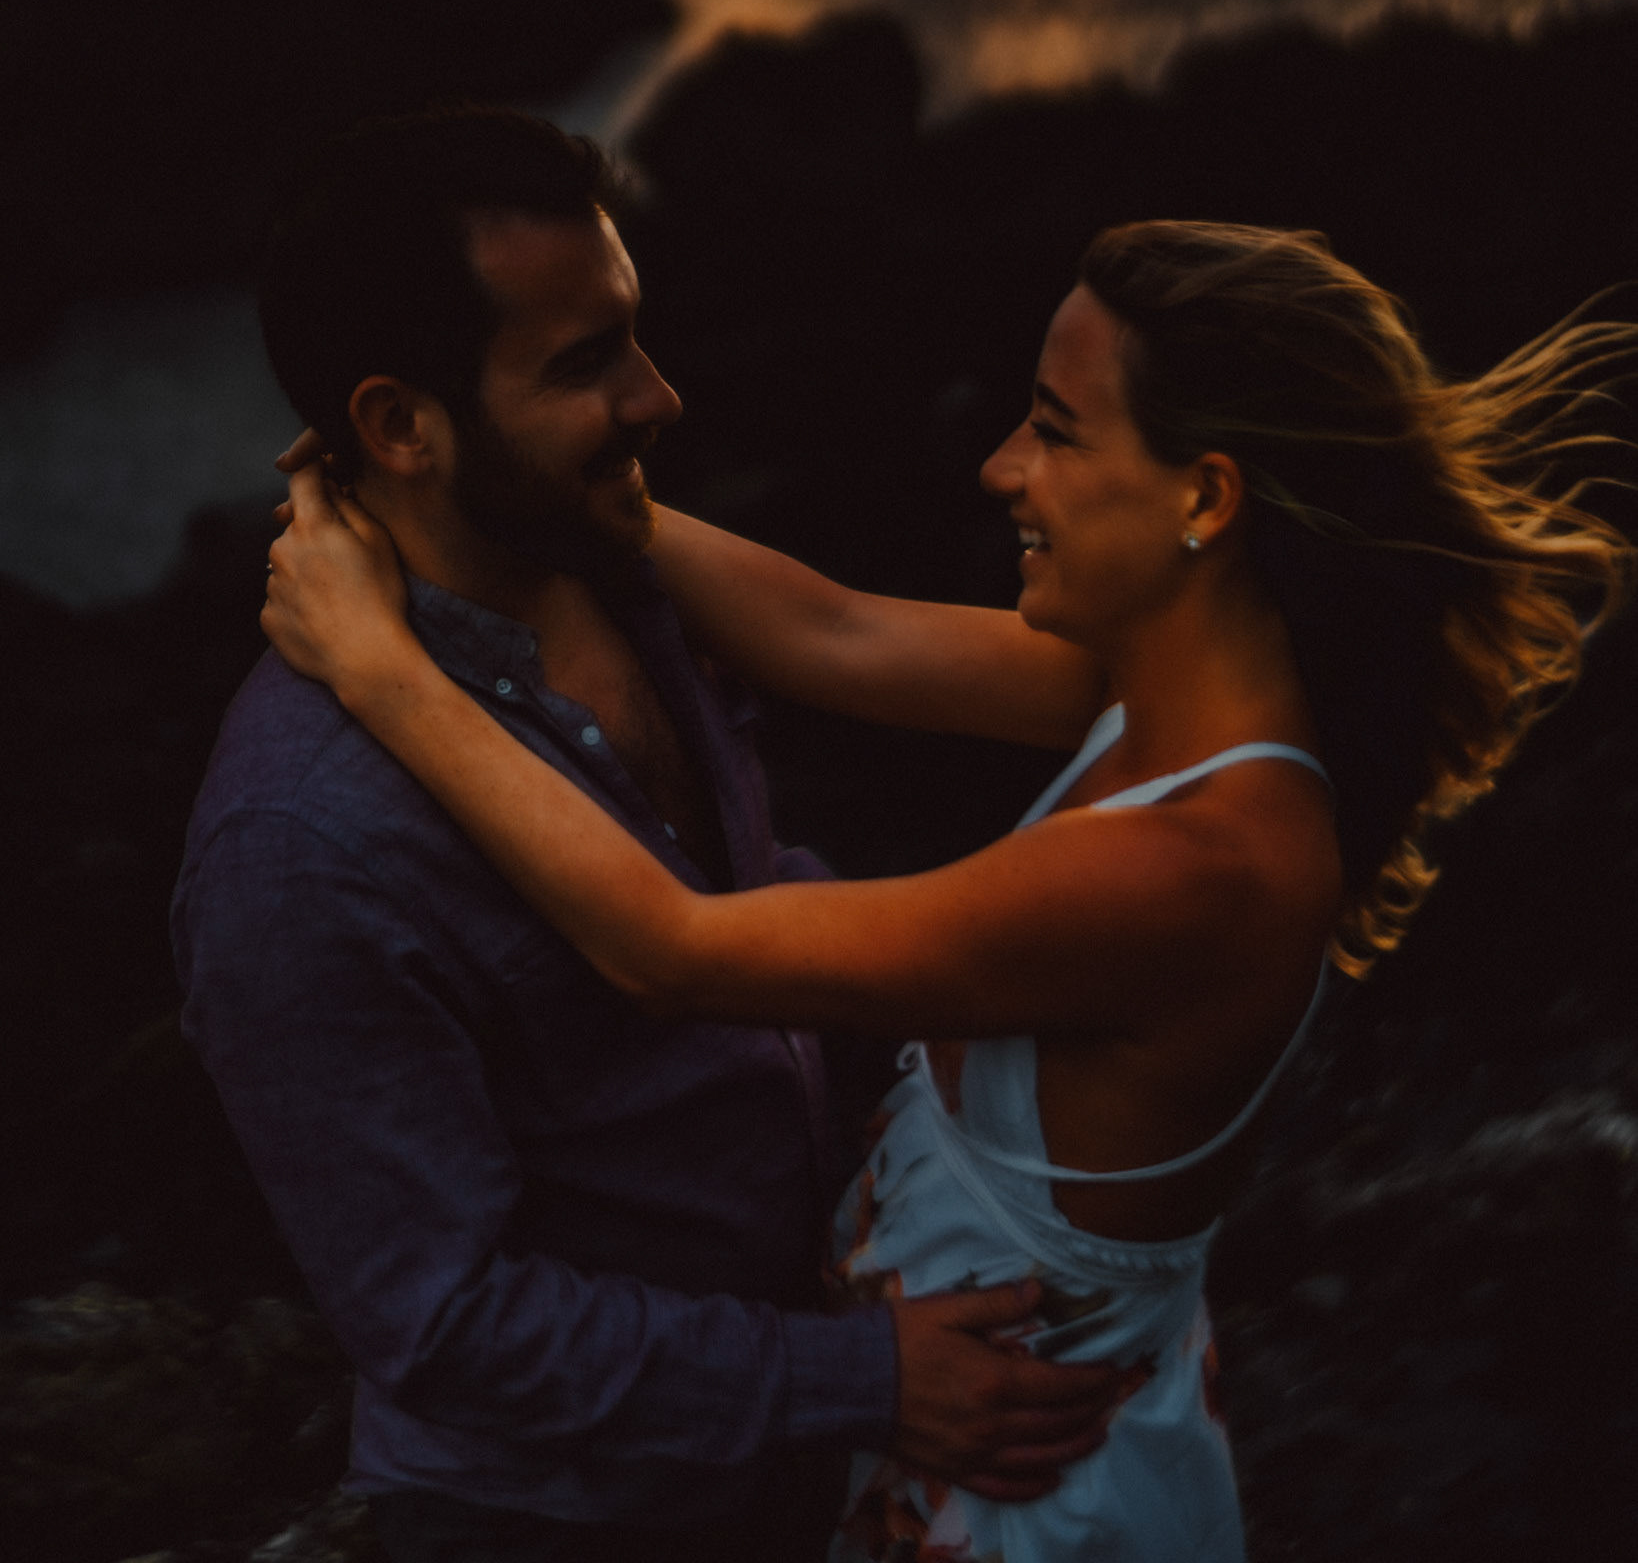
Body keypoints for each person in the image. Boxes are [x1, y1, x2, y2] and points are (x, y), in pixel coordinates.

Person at [263, 216, 1635, 1563]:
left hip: (1034, 1504)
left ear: (1203, 498)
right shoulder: (1166, 704)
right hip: (978, 1451)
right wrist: (524, 472)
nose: (998, 468)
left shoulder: (1192, 867)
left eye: (1053, 428)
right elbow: (830, 630)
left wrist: (380, 667)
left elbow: (667, 947)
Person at [174, 108, 1129, 1563]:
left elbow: (757, 886)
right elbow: (444, 1321)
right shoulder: (301, 841)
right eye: (580, 364)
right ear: (396, 427)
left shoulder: (633, 581)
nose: (658, 397)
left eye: (631, 332)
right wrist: (865, 1379)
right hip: (572, 1526)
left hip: (815, 1453)